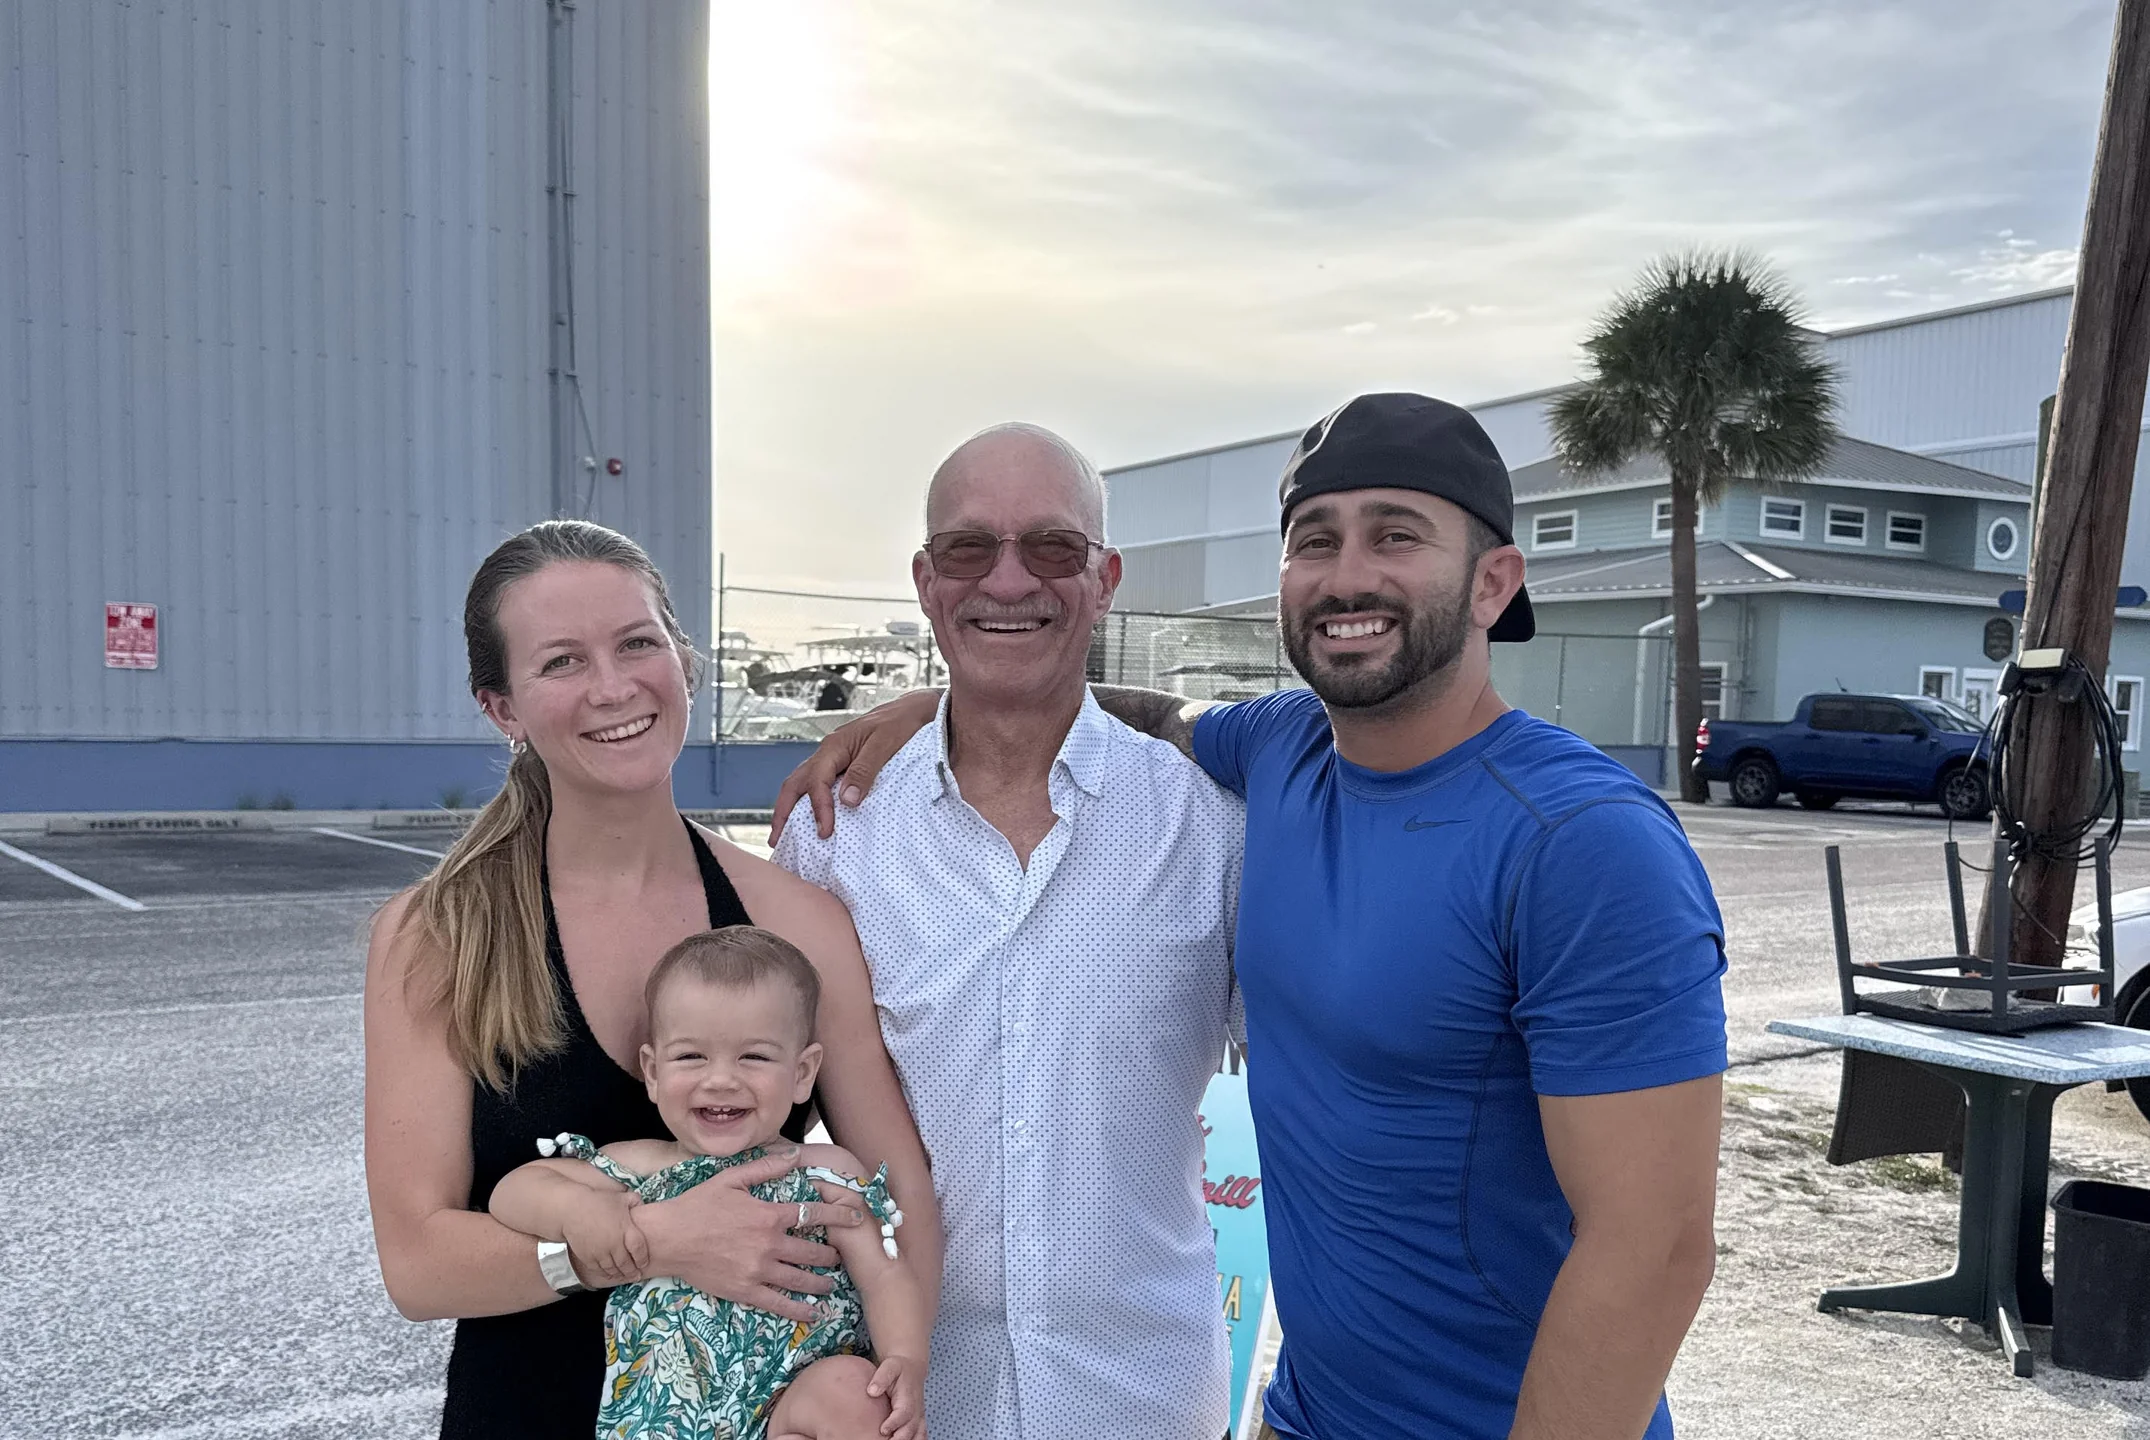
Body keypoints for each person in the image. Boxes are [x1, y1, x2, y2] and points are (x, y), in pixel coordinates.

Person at [776, 395, 1727, 1440]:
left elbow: (1656, 1247)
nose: (1347, 575)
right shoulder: (1274, 760)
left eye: (1395, 536)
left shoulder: (1579, 841)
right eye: (1314, 542)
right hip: (1290, 1415)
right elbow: (1145, 710)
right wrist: (937, 701)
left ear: (1494, 581)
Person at [364, 519, 939, 1440]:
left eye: (638, 643)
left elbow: (902, 1189)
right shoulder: (439, 936)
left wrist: (890, 1369)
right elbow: (418, 1263)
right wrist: (647, 1247)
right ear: (501, 708)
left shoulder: (794, 920)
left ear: (683, 658)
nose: (613, 686)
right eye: (561, 662)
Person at [772, 423, 1244, 1440]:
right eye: (968, 548)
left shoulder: (1210, 827)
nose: (1008, 580)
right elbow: (750, 1106)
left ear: (1105, 575)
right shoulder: (830, 839)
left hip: (1144, 1400)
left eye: (1052, 547)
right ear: (925, 579)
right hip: (899, 1401)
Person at [489, 926, 929, 1440]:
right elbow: (514, 1191)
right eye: (691, 1057)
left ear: (803, 1072)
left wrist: (906, 1356)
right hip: (667, 1415)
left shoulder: (826, 1171)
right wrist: (577, 1211)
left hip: (795, 1400)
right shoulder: (640, 1167)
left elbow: (884, 1275)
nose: (721, 1079)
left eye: (755, 1057)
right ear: (652, 1072)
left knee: (858, 1395)